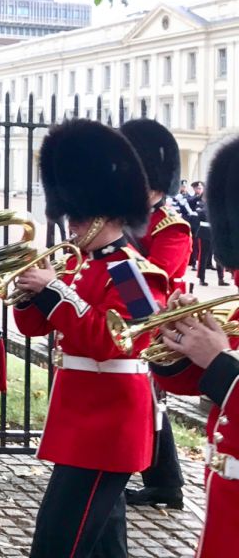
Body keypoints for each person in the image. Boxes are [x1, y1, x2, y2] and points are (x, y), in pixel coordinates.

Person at [14, 120, 167, 558]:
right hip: (81, 421)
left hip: (108, 426)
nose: (72, 224)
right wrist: (29, 297)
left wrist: (53, 291)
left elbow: (118, 341)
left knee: (56, 544)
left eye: (78, 216)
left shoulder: (132, 272)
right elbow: (35, 329)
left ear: (107, 211)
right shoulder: (78, 266)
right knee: (102, 546)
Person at [150, 135, 239, 558]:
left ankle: (163, 483)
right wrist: (179, 336)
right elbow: (199, 378)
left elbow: (223, 373)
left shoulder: (164, 234)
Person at [119, 119, 191, 509]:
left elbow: (154, 282)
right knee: (147, 403)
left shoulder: (172, 228)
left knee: (151, 403)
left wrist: (114, 247)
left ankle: (165, 482)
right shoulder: (119, 221)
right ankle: (165, 483)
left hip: (157, 327)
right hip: (123, 324)